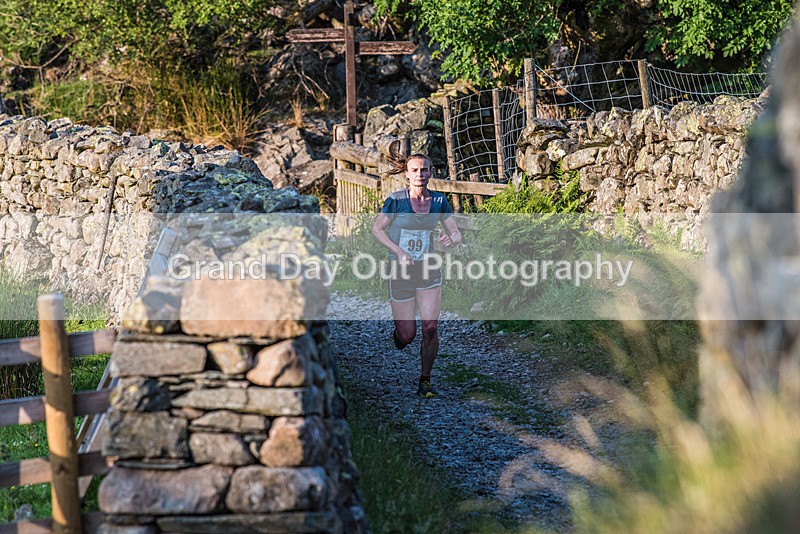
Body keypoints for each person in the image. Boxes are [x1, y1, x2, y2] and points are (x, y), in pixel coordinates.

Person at [372, 153, 462, 398]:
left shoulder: (439, 202)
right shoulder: (396, 200)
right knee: (407, 335)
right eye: (415, 170)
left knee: (431, 327)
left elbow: (456, 234)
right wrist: (398, 251)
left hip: (428, 270)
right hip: (400, 272)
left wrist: (449, 240)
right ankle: (399, 336)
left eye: (424, 170)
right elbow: (377, 229)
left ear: (430, 173)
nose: (420, 174)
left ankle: (425, 380)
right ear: (407, 174)